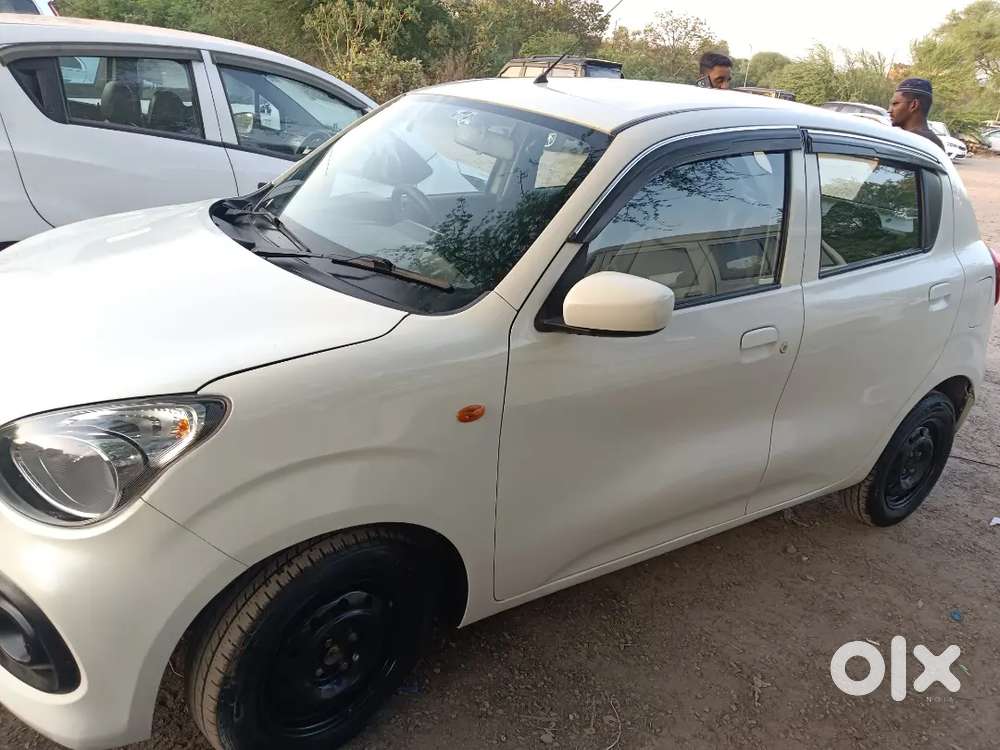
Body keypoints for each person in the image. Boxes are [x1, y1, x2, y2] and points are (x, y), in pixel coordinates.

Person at [888, 78, 944, 149]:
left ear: (914, 105)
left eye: (895, 104)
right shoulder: (936, 143)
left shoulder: (909, 141)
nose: (889, 110)